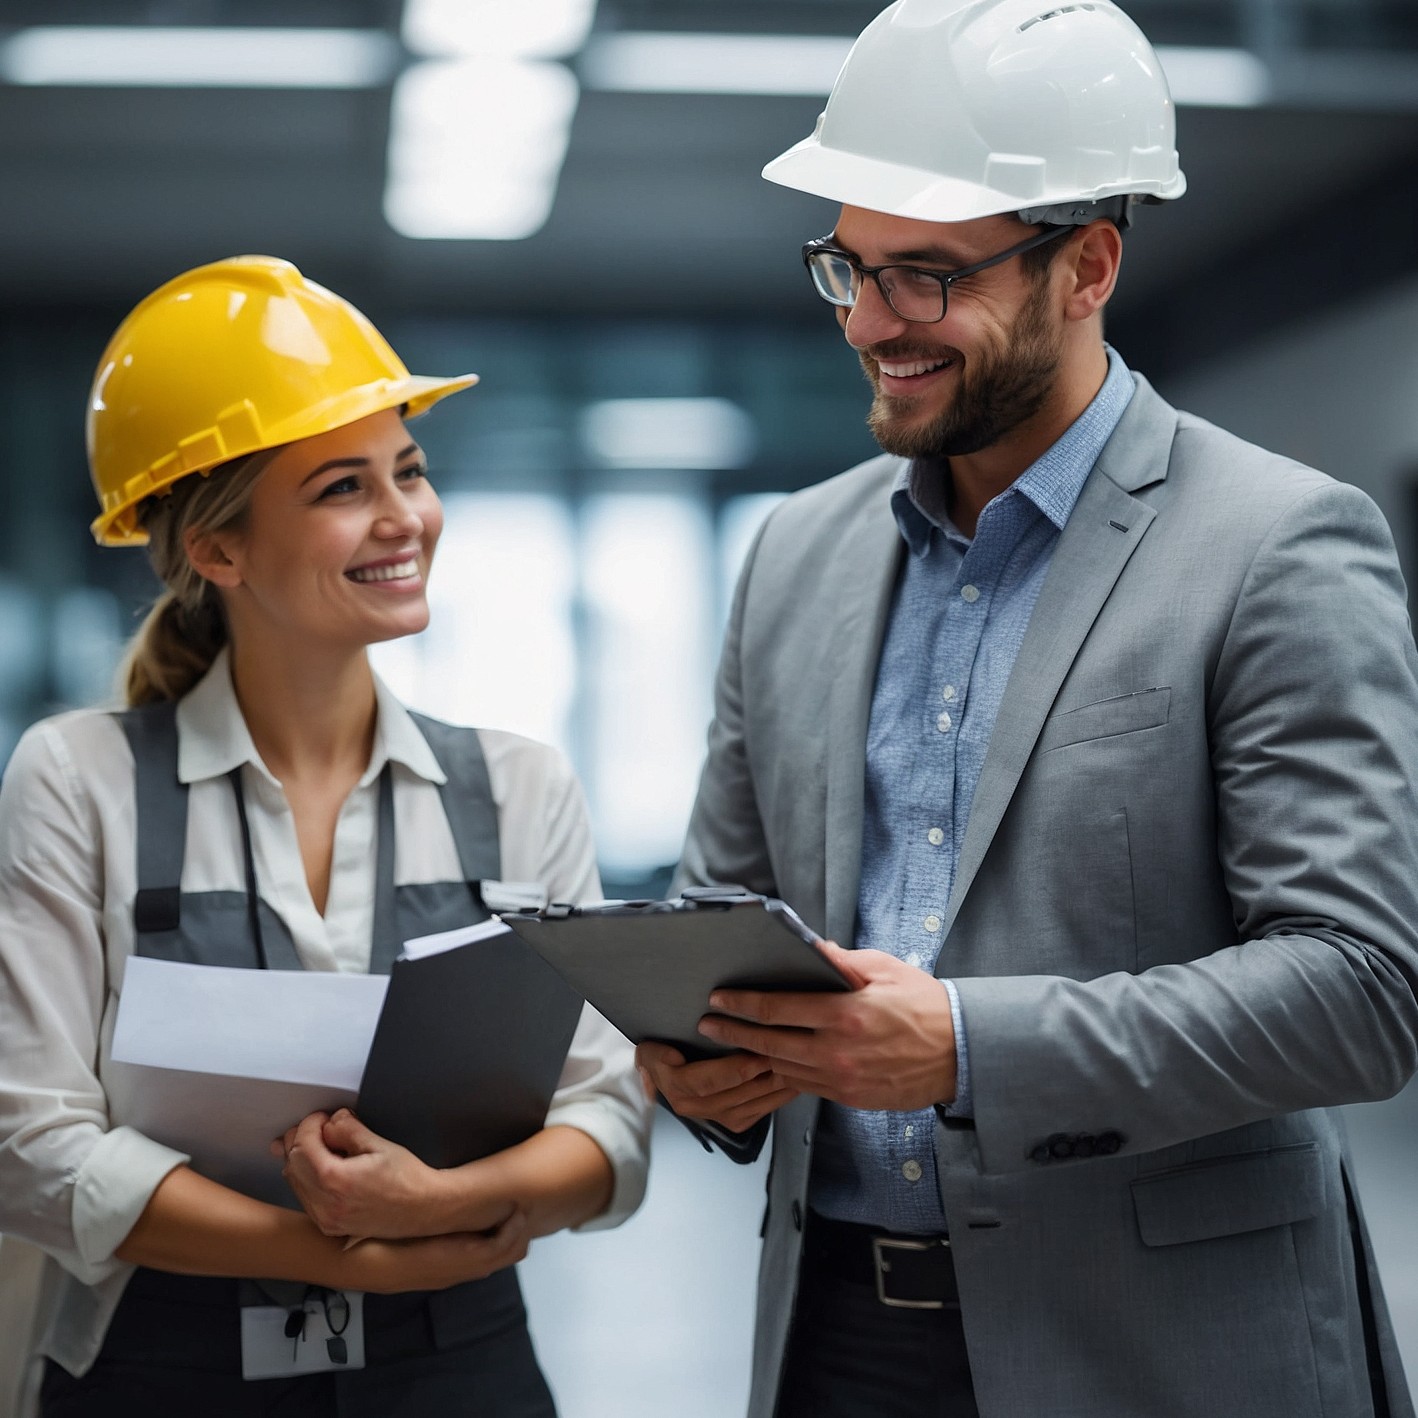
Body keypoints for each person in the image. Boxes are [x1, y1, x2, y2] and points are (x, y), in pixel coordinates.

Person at [636, 2, 1418, 1416]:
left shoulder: (1279, 543)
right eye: (848, 268)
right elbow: (718, 904)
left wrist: (968, 1044)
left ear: (1086, 265)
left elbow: (1357, 989)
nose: (871, 322)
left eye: (926, 277)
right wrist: (703, 1059)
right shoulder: (795, 555)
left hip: (1162, 1349)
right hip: (837, 1340)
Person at [0, 255, 651, 1417]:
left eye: (409, 468)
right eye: (342, 486)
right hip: (162, 1373)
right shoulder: (78, 777)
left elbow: (606, 1117)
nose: (405, 516)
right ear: (217, 547)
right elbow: (28, 1143)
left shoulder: (518, 786)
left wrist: (439, 1207)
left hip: (460, 1367)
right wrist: (340, 1242)